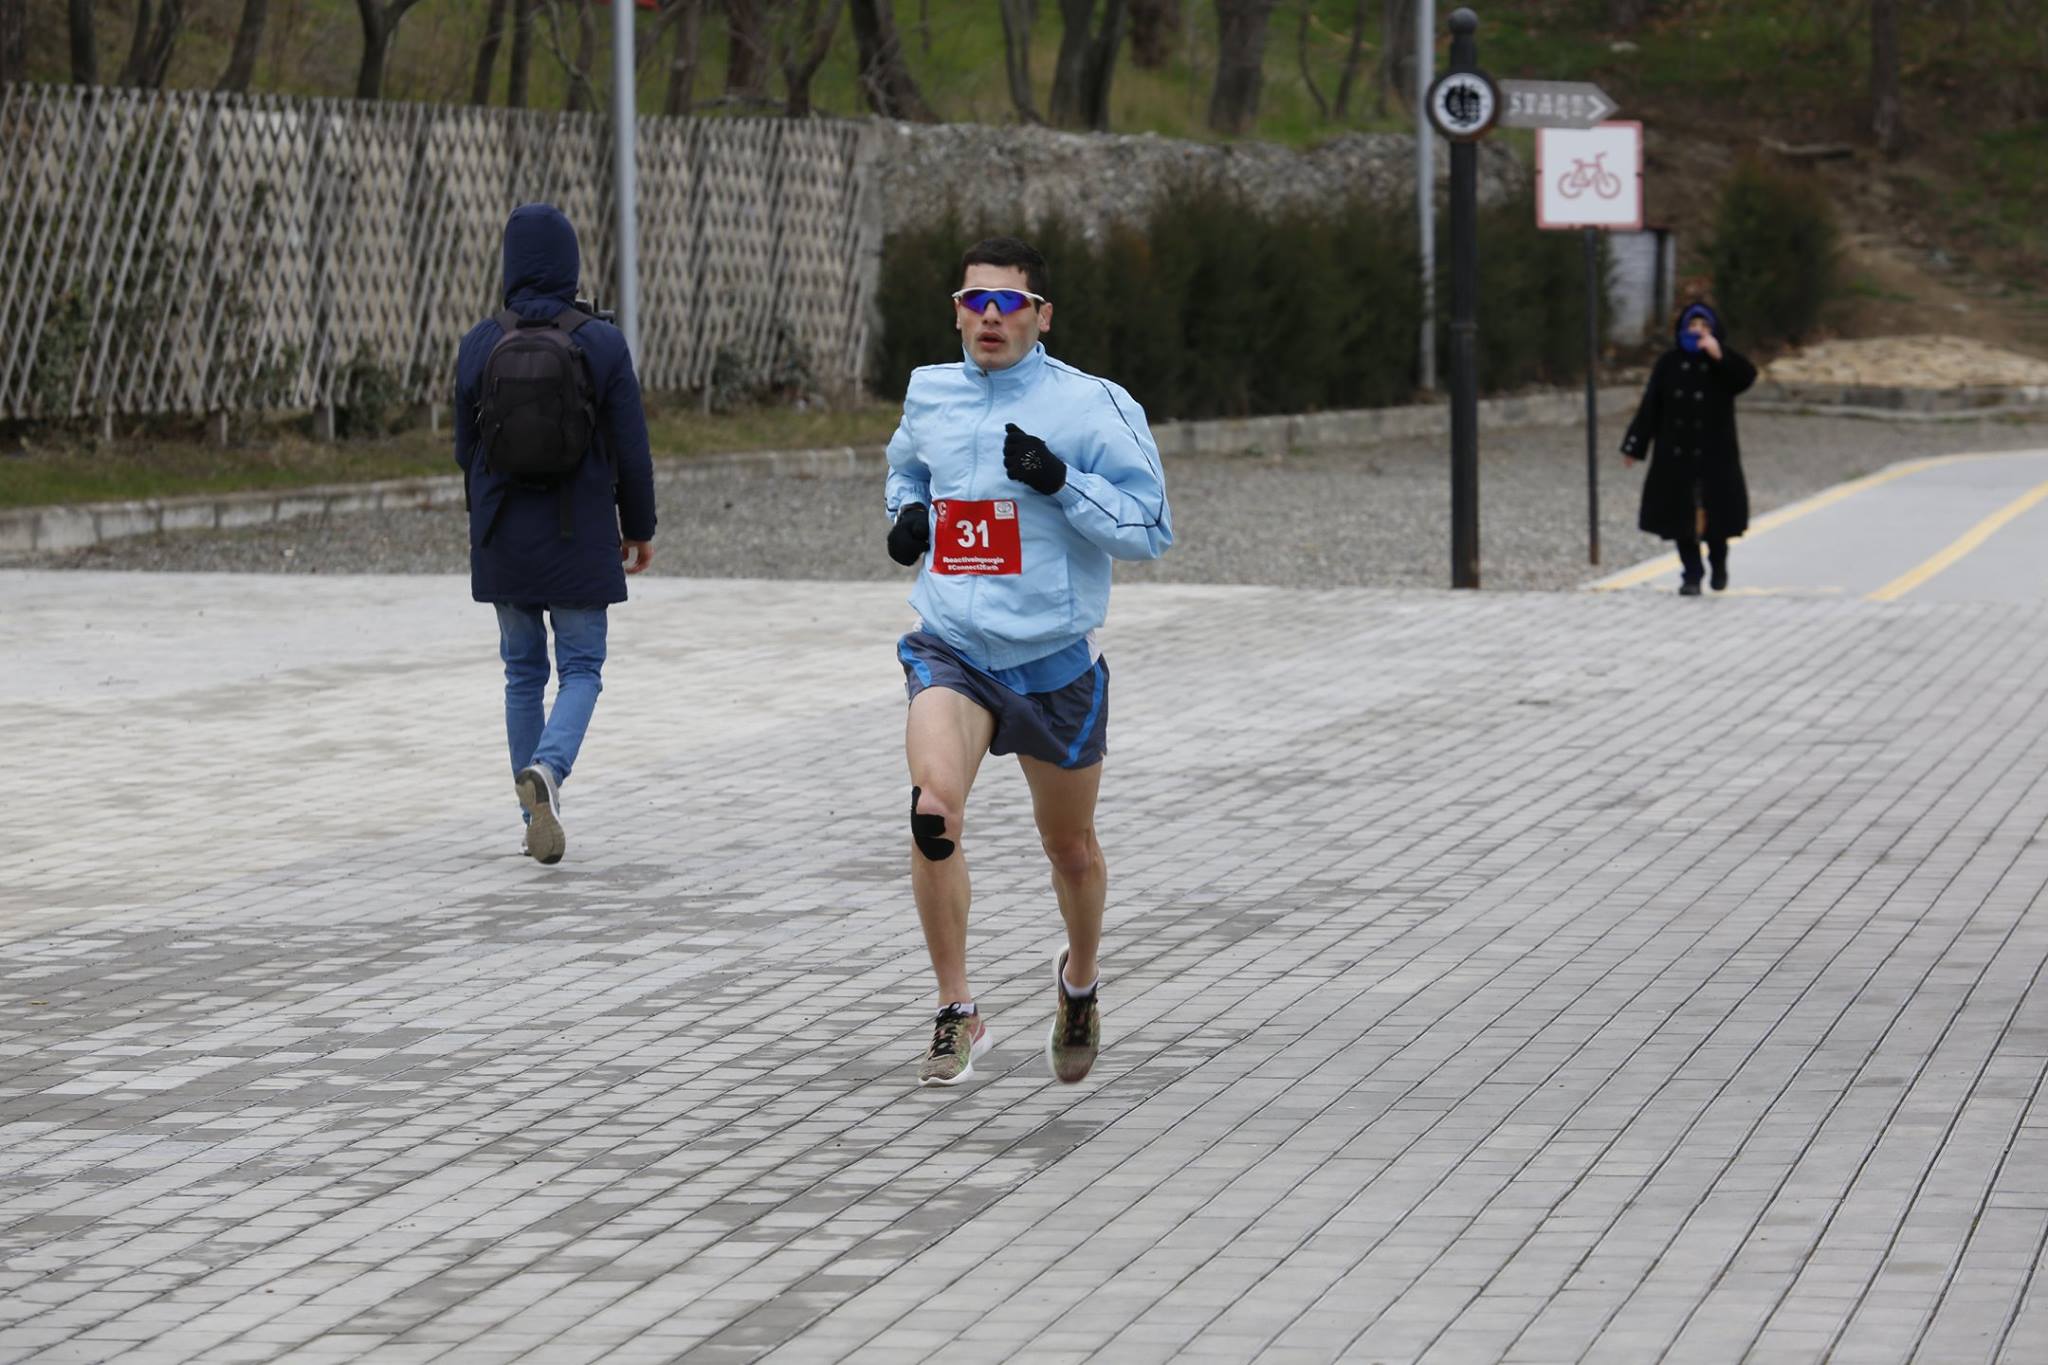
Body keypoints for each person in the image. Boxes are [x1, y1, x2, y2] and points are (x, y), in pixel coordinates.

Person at [883, 235, 1173, 1087]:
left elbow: (1151, 526)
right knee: (933, 812)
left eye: (1007, 303)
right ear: (957, 313)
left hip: (1054, 661)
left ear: (1042, 316)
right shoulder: (930, 391)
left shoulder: (1092, 404)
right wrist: (907, 515)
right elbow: (906, 471)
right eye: (973, 301)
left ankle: (1079, 980)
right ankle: (956, 1007)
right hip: (953, 645)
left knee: (1070, 847)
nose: (989, 317)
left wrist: (1057, 480)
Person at [454, 203, 656, 864]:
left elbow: (463, 451)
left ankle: (531, 816)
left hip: (503, 536)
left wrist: (485, 527)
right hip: (579, 534)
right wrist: (639, 527)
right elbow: (632, 450)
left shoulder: (480, 343)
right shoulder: (600, 343)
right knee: (582, 668)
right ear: (570, 263)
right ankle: (550, 769)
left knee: (521, 672)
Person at [1622, 300, 1757, 595]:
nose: (1698, 331)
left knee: (1716, 520)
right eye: (1693, 325)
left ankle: (1718, 564)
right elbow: (1651, 405)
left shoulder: (1721, 362)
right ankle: (1691, 575)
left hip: (1714, 454)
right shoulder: (1669, 363)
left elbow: (1746, 378)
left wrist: (1720, 356)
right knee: (1680, 520)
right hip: (1676, 453)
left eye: (1704, 326)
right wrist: (1634, 445)